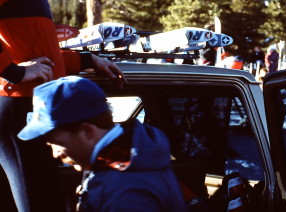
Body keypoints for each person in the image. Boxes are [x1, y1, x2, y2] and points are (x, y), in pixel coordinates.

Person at [0, 0, 126, 211]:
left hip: (32, 107)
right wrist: (14, 72)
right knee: (40, 204)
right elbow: (31, 64)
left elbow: (43, 55)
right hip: (17, 106)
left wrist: (87, 58)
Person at [18, 76, 187, 212]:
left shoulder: (124, 191)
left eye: (57, 143)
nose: (55, 154)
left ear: (87, 132)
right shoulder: (128, 159)